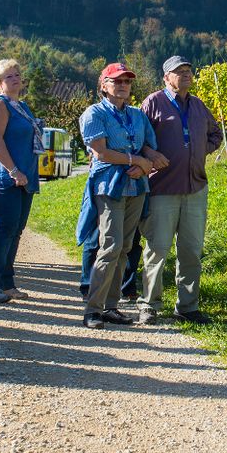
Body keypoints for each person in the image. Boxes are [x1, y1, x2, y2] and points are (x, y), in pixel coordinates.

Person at [76, 62, 164, 328]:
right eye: (117, 81)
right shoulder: (94, 114)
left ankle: (111, 306)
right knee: (111, 245)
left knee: (125, 247)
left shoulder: (138, 115)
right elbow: (101, 152)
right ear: (104, 85)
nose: (123, 85)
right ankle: (93, 309)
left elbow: (148, 145)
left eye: (127, 81)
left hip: (136, 187)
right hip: (109, 187)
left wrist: (145, 162)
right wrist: (134, 160)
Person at [137, 56, 222, 325]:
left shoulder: (198, 105)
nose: (185, 75)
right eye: (178, 71)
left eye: (188, 70)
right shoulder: (153, 103)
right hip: (162, 188)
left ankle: (187, 306)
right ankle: (149, 305)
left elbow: (216, 134)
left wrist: (199, 150)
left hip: (195, 188)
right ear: (166, 77)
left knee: (191, 250)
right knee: (157, 249)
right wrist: (151, 154)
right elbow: (138, 139)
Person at [0, 59, 42, 304]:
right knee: (4, 230)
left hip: (24, 179)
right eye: (8, 77)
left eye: (17, 74)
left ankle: (7, 284)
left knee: (15, 232)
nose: (15, 79)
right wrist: (13, 170)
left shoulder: (22, 106)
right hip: (6, 178)